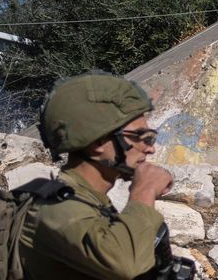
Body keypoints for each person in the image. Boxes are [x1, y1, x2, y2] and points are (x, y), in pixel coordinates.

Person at [19, 72, 175, 280]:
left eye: (150, 138)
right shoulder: (53, 209)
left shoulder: (90, 200)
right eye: (140, 137)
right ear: (98, 144)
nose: (150, 149)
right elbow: (123, 264)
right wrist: (144, 189)